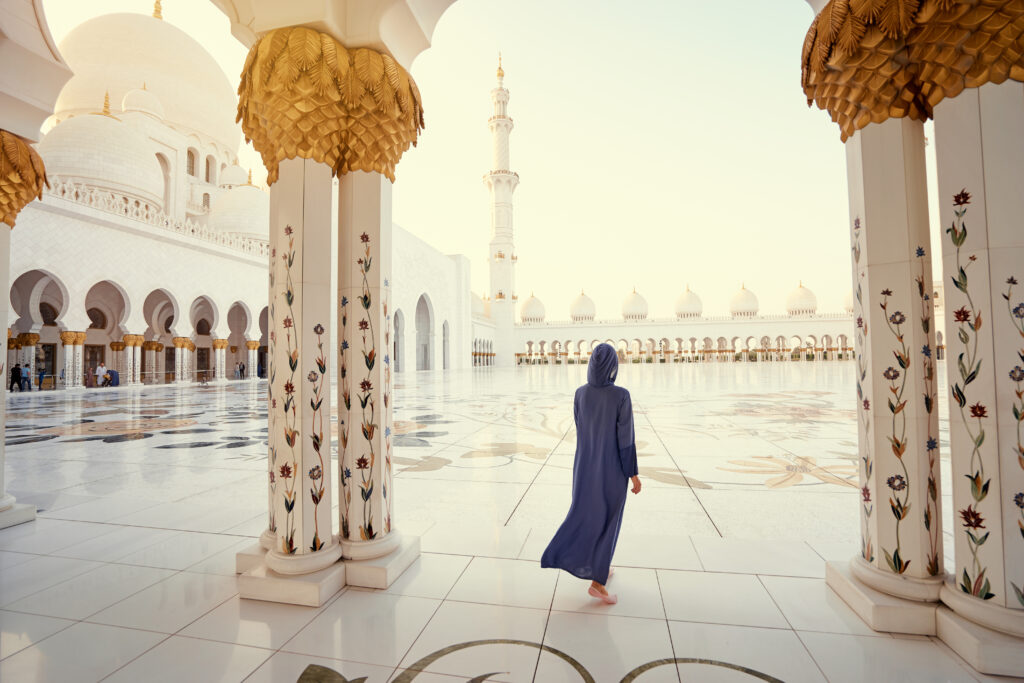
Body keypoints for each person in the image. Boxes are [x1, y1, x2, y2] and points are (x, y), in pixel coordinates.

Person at [541, 342, 641, 605]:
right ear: (613, 366)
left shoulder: (579, 394)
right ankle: (597, 583)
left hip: (584, 466)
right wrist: (632, 474)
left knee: (586, 514)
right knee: (609, 519)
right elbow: (625, 438)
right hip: (612, 469)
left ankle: (600, 566)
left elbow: (581, 426)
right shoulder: (621, 396)